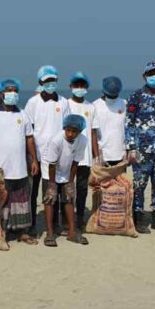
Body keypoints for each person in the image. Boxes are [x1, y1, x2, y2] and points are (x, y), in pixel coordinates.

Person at [0, 78, 39, 245]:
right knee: (2, 201)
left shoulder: (23, 114)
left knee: (21, 201)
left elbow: (29, 139)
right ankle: (1, 233)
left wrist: (34, 160)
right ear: (1, 93)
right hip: (1, 168)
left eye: (15, 91)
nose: (13, 94)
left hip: (20, 167)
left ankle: (21, 233)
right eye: (9, 91)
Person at [125, 61, 155, 234]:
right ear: (144, 76)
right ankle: (138, 217)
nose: (154, 77)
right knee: (140, 184)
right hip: (142, 149)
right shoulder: (136, 96)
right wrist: (130, 147)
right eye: (150, 74)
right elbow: (129, 122)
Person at [24, 65, 69, 235]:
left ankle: (56, 225)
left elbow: (67, 128)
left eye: (53, 80)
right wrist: (31, 156)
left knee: (54, 189)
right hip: (37, 154)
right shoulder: (32, 102)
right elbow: (28, 131)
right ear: (40, 82)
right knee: (33, 192)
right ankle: (31, 224)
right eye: (47, 81)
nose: (50, 84)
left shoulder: (63, 102)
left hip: (57, 156)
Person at [41, 114, 89, 247]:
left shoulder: (83, 140)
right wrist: (52, 184)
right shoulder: (56, 140)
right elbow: (52, 164)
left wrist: (70, 182)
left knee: (68, 198)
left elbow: (75, 162)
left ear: (79, 132)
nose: (70, 134)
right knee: (50, 200)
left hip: (67, 170)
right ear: (64, 128)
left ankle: (72, 232)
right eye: (68, 130)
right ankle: (50, 233)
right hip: (50, 171)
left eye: (74, 131)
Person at [67, 71, 100, 227]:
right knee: (67, 187)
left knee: (82, 189)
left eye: (82, 85)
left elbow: (93, 132)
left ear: (86, 87)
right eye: (76, 85)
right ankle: (67, 218)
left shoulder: (91, 107)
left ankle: (80, 216)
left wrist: (96, 155)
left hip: (85, 156)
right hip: (67, 155)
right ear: (71, 87)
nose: (79, 88)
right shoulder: (66, 104)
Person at [92, 76, 127, 166]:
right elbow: (93, 133)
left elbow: (128, 129)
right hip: (103, 154)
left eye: (115, 95)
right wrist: (96, 156)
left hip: (121, 154)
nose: (113, 97)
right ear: (104, 91)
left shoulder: (124, 104)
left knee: (121, 180)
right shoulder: (95, 106)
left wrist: (129, 150)